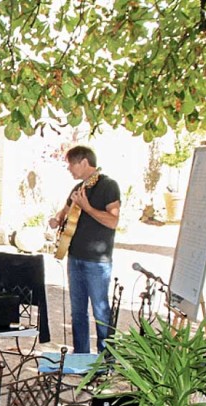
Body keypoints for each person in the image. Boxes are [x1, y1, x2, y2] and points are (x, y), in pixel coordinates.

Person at [49, 145, 120, 353]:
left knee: (100, 310)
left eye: (71, 164)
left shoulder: (108, 186)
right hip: (75, 257)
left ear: (84, 163)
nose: (69, 169)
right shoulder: (78, 188)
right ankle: (81, 355)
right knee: (78, 311)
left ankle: (105, 358)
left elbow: (113, 221)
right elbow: (65, 211)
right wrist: (57, 219)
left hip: (97, 261)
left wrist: (88, 208)